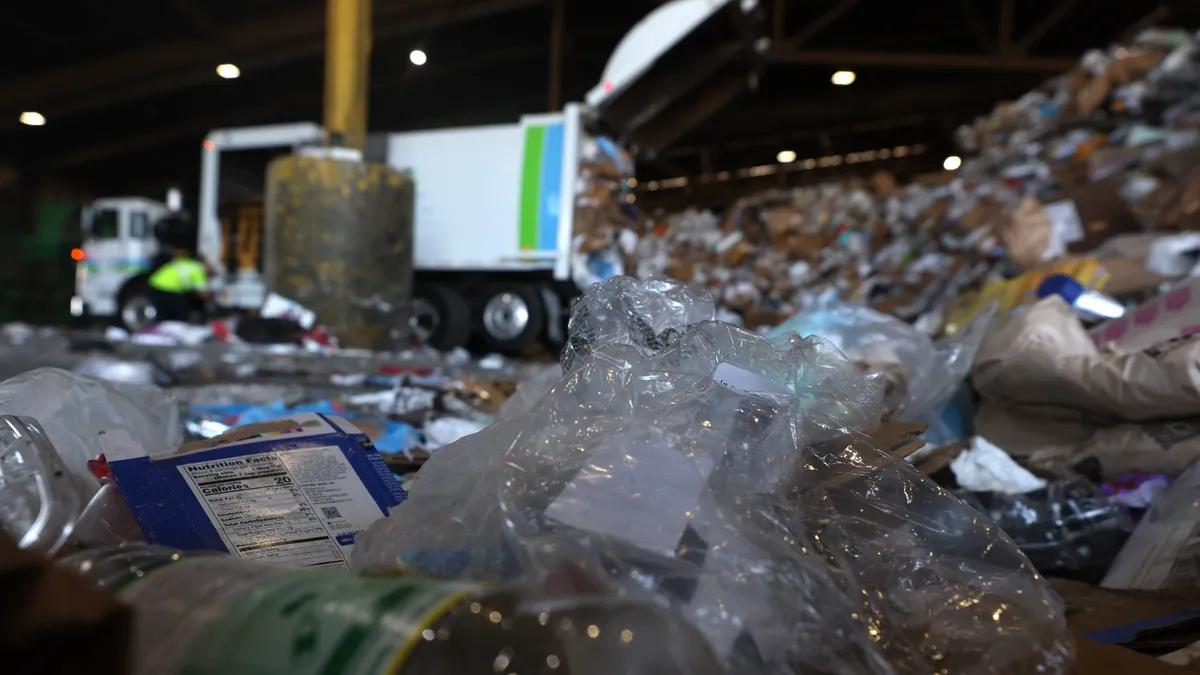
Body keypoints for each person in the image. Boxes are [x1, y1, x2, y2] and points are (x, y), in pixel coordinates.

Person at [147, 247, 209, 323]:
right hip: (167, 288)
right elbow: (203, 294)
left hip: (155, 284)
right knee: (180, 315)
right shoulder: (199, 270)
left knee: (164, 315)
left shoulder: (190, 263)